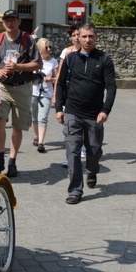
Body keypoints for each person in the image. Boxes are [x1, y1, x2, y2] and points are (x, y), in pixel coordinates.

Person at [55, 23, 116, 204]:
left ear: (96, 38)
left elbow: (111, 87)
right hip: (73, 112)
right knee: (72, 151)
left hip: (94, 115)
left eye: (91, 36)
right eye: (84, 36)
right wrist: (59, 109)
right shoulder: (70, 59)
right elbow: (60, 84)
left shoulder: (104, 59)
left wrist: (105, 110)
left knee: (94, 151)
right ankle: (75, 190)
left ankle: (92, 170)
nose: (87, 39)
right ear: (78, 38)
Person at [0, 9, 42, 177]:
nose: (9, 23)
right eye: (6, 20)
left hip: (22, 87)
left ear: (19, 22)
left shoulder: (27, 40)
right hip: (2, 86)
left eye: (13, 20)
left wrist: (19, 67)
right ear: (3, 23)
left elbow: (38, 64)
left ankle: (12, 161)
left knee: (18, 127)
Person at [54, 25, 82, 167]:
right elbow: (59, 75)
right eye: (74, 35)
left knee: (82, 125)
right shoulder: (66, 52)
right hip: (68, 94)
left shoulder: (87, 53)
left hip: (83, 97)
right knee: (69, 126)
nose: (77, 37)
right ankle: (70, 155)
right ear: (71, 37)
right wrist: (55, 95)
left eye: (79, 34)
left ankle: (81, 147)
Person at [31, 38, 58, 153]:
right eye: (47, 47)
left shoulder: (53, 62)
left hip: (46, 93)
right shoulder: (35, 61)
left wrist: (50, 79)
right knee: (34, 117)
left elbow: (58, 79)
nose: (49, 49)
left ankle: (41, 143)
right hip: (33, 92)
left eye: (50, 46)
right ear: (40, 48)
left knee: (43, 118)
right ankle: (36, 136)